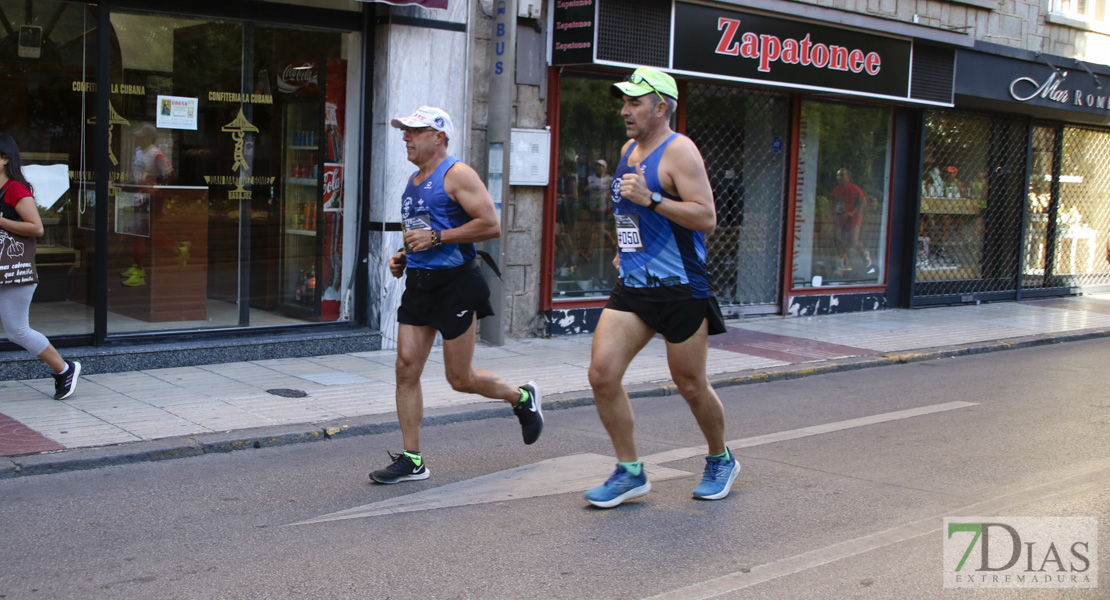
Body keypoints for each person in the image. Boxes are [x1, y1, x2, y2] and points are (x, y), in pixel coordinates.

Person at [583, 67, 735, 508]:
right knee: (601, 374)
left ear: (661, 107)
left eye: (634, 102)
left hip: (681, 287)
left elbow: (706, 217)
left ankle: (720, 458)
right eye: (625, 102)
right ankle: (630, 471)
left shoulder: (680, 150)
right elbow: (634, 215)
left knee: (690, 385)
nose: (625, 110)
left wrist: (651, 198)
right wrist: (625, 249)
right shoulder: (630, 148)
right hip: (634, 286)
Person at [369, 106, 543, 484]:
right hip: (419, 283)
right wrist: (403, 255)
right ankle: (412, 459)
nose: (406, 137)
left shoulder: (457, 174)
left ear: (440, 137)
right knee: (405, 367)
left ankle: (521, 398)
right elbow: (421, 232)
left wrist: (438, 238)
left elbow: (491, 225)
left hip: (456, 285)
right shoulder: (414, 181)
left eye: (415, 131)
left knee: (460, 378)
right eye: (405, 131)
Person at [0, 133, 81, 399]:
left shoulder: (15, 189)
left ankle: (64, 368)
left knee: (17, 330)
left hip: (14, 273)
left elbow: (36, 227)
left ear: (4, 159)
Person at [832, 168, 870, 272]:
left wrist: (852, 212)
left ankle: (864, 253)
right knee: (838, 238)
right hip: (841, 217)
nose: (839, 178)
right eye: (838, 176)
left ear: (848, 177)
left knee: (853, 241)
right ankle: (845, 261)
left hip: (853, 218)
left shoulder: (855, 189)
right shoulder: (836, 190)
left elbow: (863, 202)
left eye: (842, 175)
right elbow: (836, 203)